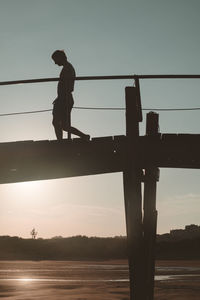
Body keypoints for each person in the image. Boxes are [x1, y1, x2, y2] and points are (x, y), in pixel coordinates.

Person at [51, 50, 90, 141]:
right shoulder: (67, 67)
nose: (55, 63)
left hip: (65, 99)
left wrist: (60, 98)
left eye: (55, 60)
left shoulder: (68, 68)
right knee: (63, 125)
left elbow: (67, 86)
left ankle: (60, 142)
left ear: (60, 57)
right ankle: (84, 136)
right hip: (63, 98)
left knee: (57, 122)